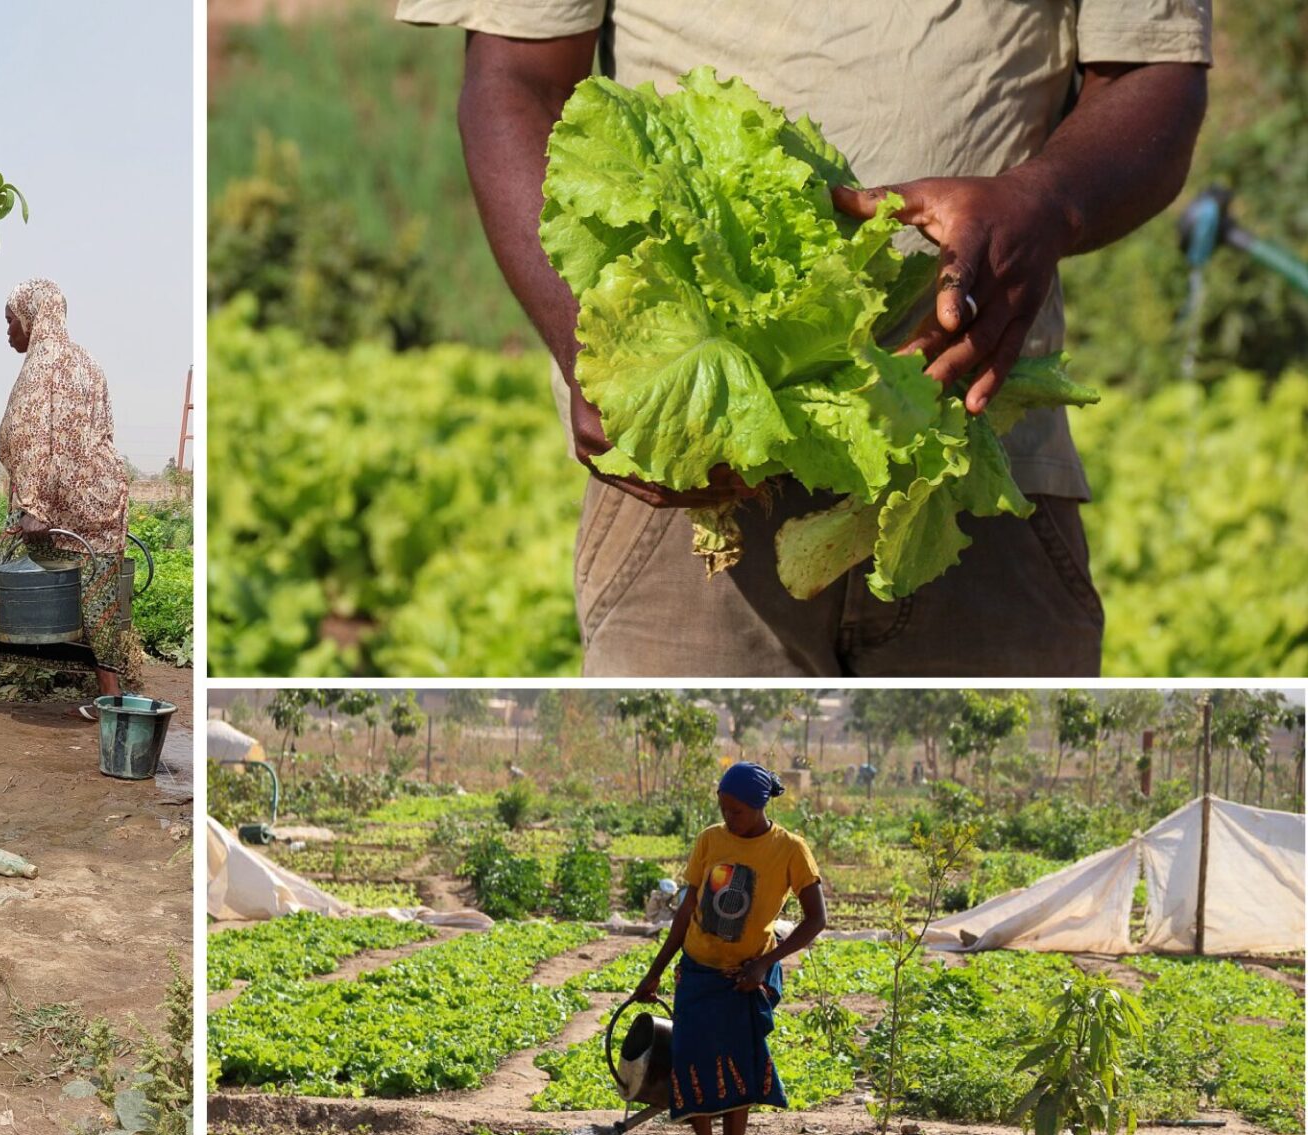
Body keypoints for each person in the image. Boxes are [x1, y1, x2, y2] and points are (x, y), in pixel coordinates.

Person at [398, 2, 1210, 676]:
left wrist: (1046, 201)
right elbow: (516, 76)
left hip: (972, 453)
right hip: (699, 487)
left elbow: (1152, 70)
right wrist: (602, 355)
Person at [0, 279, 138, 714]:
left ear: (32, 316)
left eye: (10, 321)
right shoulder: (88, 362)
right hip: (99, 503)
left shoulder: (42, 364)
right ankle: (112, 699)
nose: (8, 333)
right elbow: (101, 431)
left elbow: (32, 437)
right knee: (100, 600)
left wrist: (35, 505)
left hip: (48, 507)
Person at [629, 761, 827, 1135]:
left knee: (739, 1071)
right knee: (686, 1062)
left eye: (736, 811)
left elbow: (816, 919)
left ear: (758, 807)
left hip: (743, 977)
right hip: (698, 971)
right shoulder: (710, 840)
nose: (728, 818)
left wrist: (766, 962)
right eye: (723, 808)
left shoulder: (790, 849)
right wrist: (656, 970)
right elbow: (686, 912)